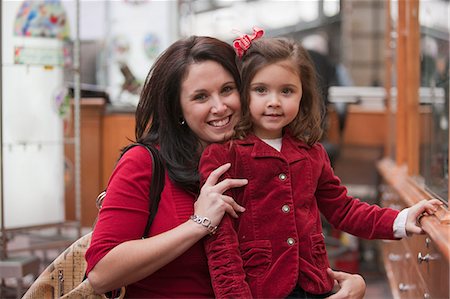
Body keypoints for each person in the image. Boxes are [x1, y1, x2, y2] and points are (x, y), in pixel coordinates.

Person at [85, 36, 366, 298]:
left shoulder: (261, 160)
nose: (219, 107)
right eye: (200, 97)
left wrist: (342, 285)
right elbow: (101, 274)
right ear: (177, 107)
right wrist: (197, 224)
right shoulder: (144, 162)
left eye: (227, 90)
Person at [199, 36, 443, 298]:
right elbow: (221, 243)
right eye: (261, 90)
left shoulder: (312, 152)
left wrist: (401, 219)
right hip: (259, 289)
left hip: (315, 285)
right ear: (242, 92)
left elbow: (343, 209)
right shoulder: (223, 156)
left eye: (287, 91)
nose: (274, 101)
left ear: (303, 94)